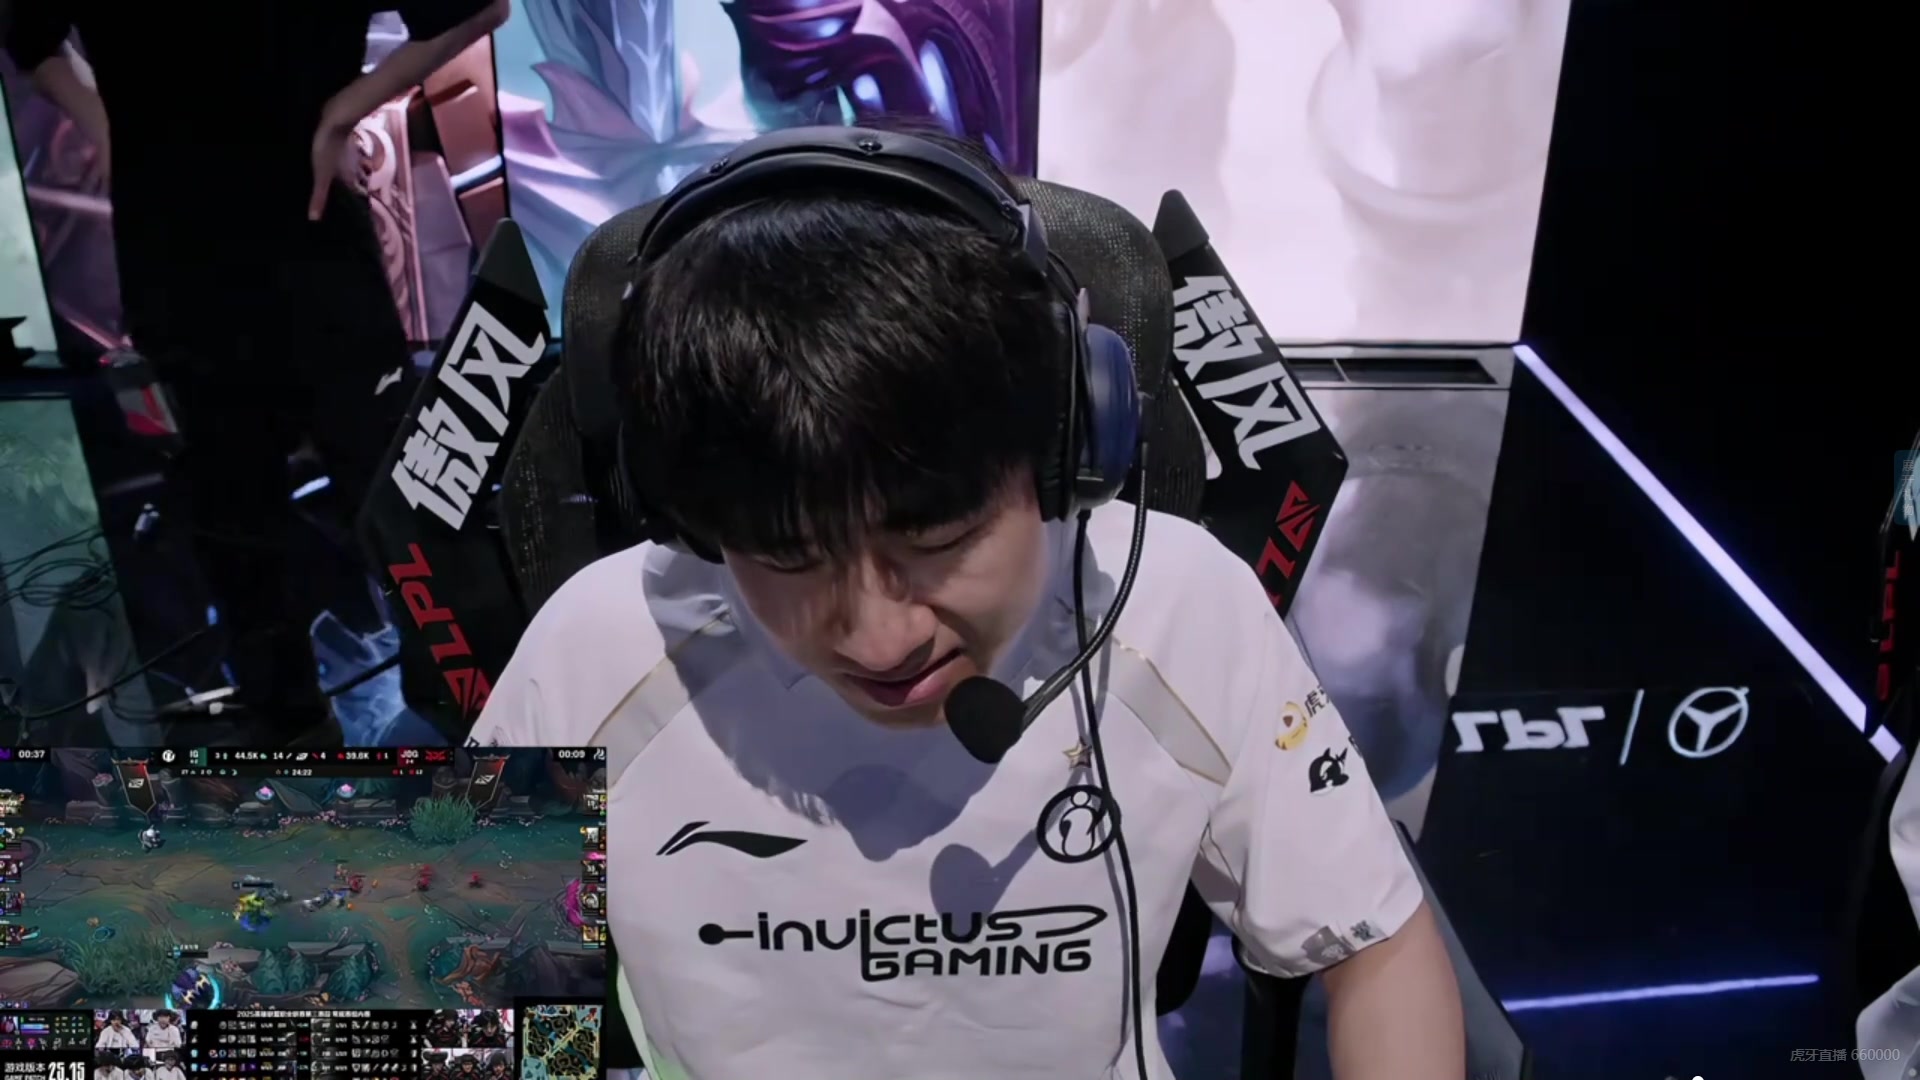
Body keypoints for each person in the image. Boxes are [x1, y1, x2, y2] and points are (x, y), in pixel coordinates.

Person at [470, 126, 1465, 1079]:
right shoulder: (591, 649)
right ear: (691, 521)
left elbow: (1373, 937)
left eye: (939, 539)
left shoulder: (1181, 604)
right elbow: (453, 1019)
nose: (881, 638)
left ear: (1063, 452)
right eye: (787, 555)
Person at [3, 1, 510, 744]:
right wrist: (110, 128)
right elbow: (32, 39)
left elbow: (477, 9)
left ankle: (463, 716)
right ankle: (302, 727)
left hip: (297, 248)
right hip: (185, 260)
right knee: (238, 515)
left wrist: (343, 112)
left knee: (391, 498)